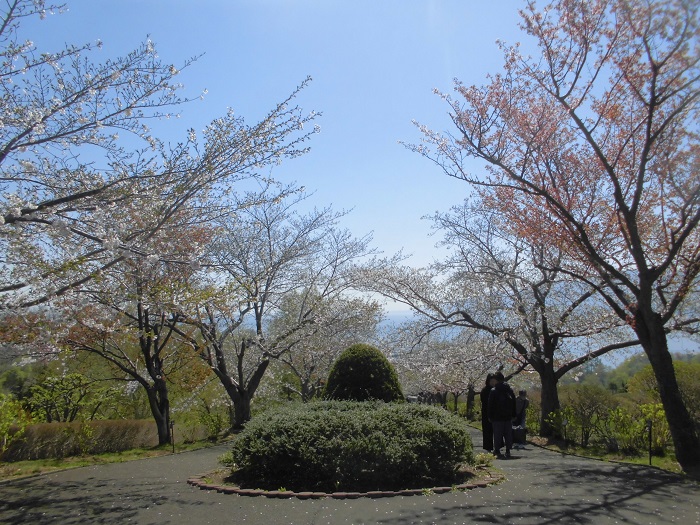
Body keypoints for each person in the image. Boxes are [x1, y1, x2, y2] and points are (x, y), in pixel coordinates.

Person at [488, 371, 516, 459]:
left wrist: (489, 416)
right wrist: (514, 414)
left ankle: (497, 450)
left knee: (497, 434)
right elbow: (514, 403)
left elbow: (490, 405)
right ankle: (508, 450)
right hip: (508, 416)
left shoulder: (494, 391)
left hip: (497, 417)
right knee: (508, 434)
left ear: (496, 380)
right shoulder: (509, 390)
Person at [479, 374, 496, 452]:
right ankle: (488, 447)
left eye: (494, 381)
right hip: (486, 412)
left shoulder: (496, 390)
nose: (493, 382)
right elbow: (484, 401)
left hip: (495, 412)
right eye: (491, 381)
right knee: (487, 430)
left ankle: (497, 446)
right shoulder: (485, 390)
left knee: (496, 430)